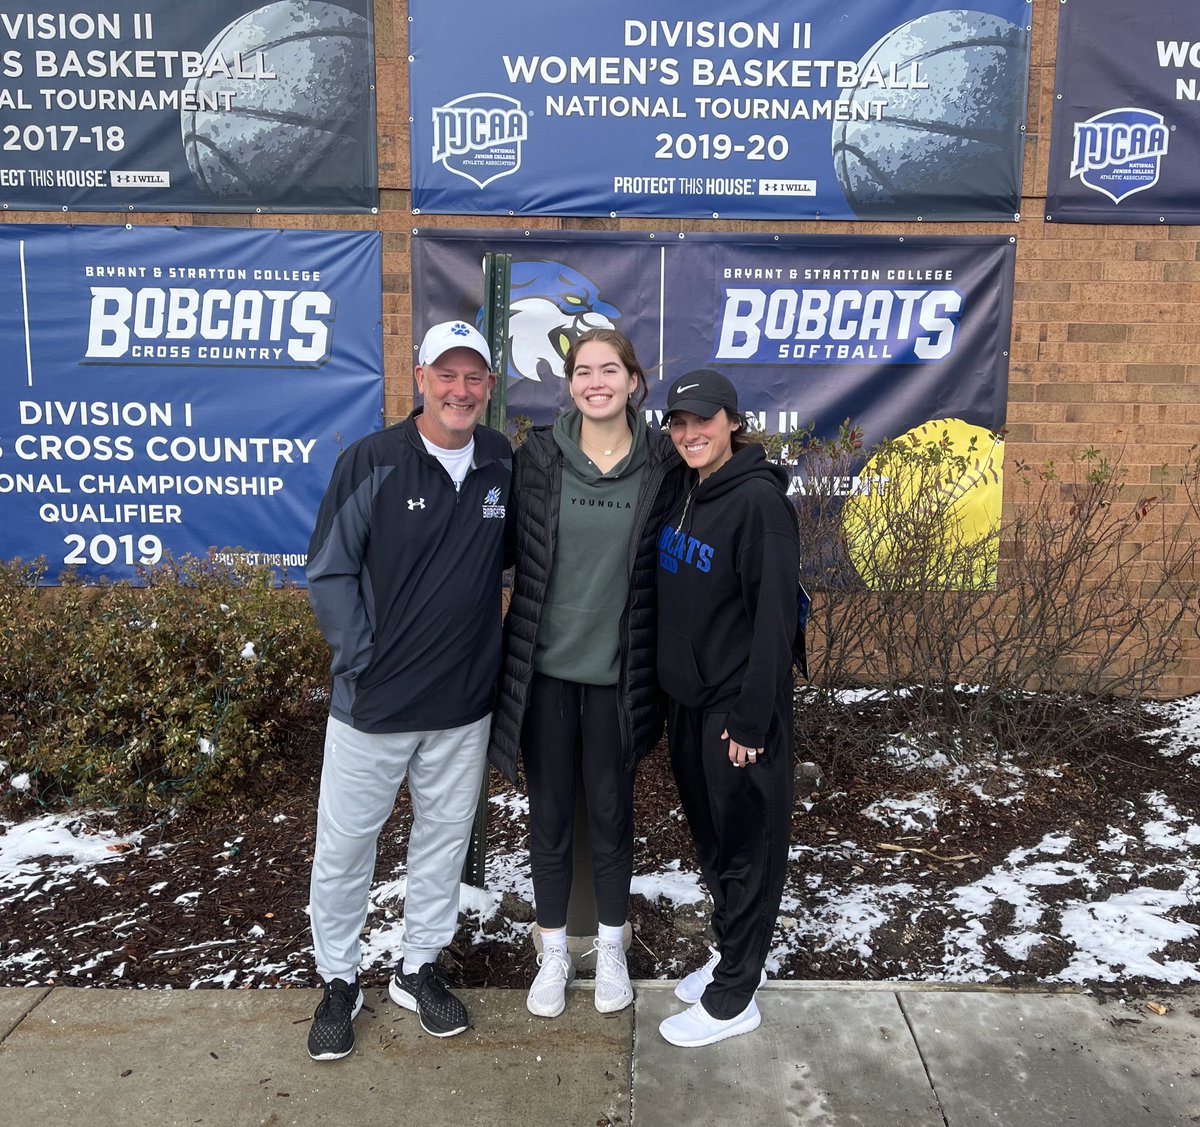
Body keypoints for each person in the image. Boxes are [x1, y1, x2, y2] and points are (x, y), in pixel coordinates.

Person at [303, 320, 511, 1060]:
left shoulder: (498, 461)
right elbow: (328, 571)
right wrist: (364, 659)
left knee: (442, 842)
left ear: (489, 386)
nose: (460, 390)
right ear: (419, 376)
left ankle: (418, 965)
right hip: (374, 706)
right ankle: (336, 978)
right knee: (347, 847)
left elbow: (520, 560)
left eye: (474, 377)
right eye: (446, 375)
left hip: (461, 706)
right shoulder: (373, 460)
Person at [489, 328, 682, 1020]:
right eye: (582, 371)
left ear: (634, 381)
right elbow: (496, 549)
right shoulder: (538, 458)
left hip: (617, 677)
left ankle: (610, 947)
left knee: (610, 814)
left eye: (610, 369)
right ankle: (552, 953)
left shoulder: (664, 462)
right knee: (549, 818)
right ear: (569, 384)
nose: (594, 380)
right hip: (543, 672)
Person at [654, 368, 799, 1048]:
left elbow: (774, 620)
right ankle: (732, 951)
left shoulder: (758, 503)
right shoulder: (691, 487)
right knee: (714, 845)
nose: (690, 433)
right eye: (678, 423)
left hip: (736, 710)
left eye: (702, 420)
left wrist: (751, 718)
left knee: (747, 849)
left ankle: (736, 994)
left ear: (732, 421)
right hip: (691, 700)